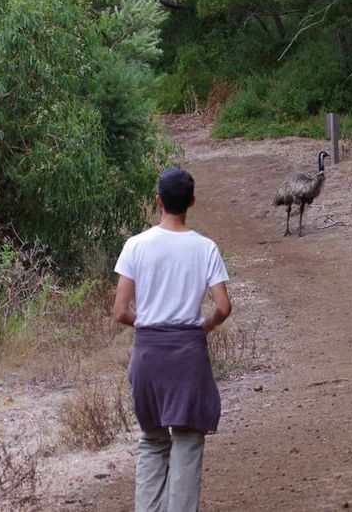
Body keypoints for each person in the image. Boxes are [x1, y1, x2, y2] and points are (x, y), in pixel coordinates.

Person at [113, 168, 232, 512]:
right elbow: (223, 306)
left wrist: (151, 324)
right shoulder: (205, 248)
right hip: (188, 355)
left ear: (158, 202)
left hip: (148, 355)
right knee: (187, 440)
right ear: (191, 203)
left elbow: (120, 311)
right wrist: (203, 326)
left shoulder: (135, 246)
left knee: (152, 440)